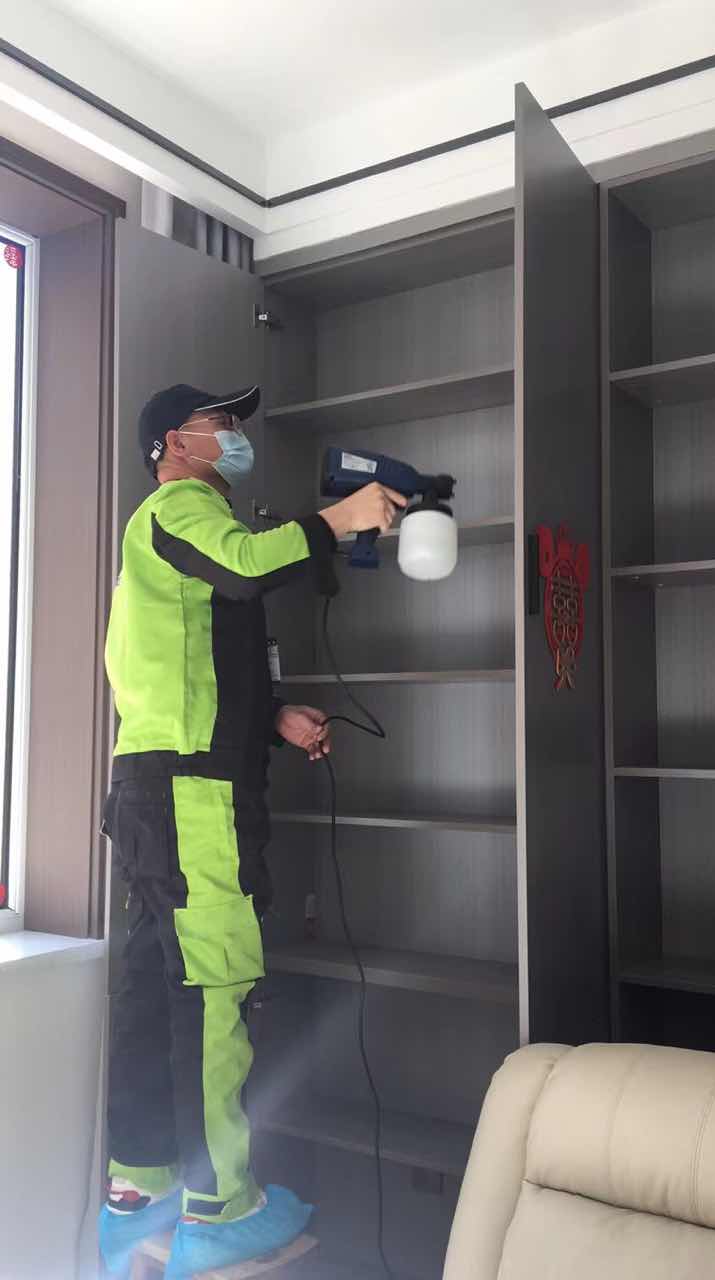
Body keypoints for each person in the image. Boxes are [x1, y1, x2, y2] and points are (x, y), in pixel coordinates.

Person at [98, 382, 406, 1279]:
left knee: (153, 987)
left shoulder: (167, 538)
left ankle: (140, 1186)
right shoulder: (179, 509)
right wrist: (338, 518)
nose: (235, 435)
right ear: (171, 443)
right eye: (219, 424)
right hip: (192, 798)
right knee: (214, 991)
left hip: (158, 786)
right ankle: (221, 1208)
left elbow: (192, 663)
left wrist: (273, 716)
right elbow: (244, 565)